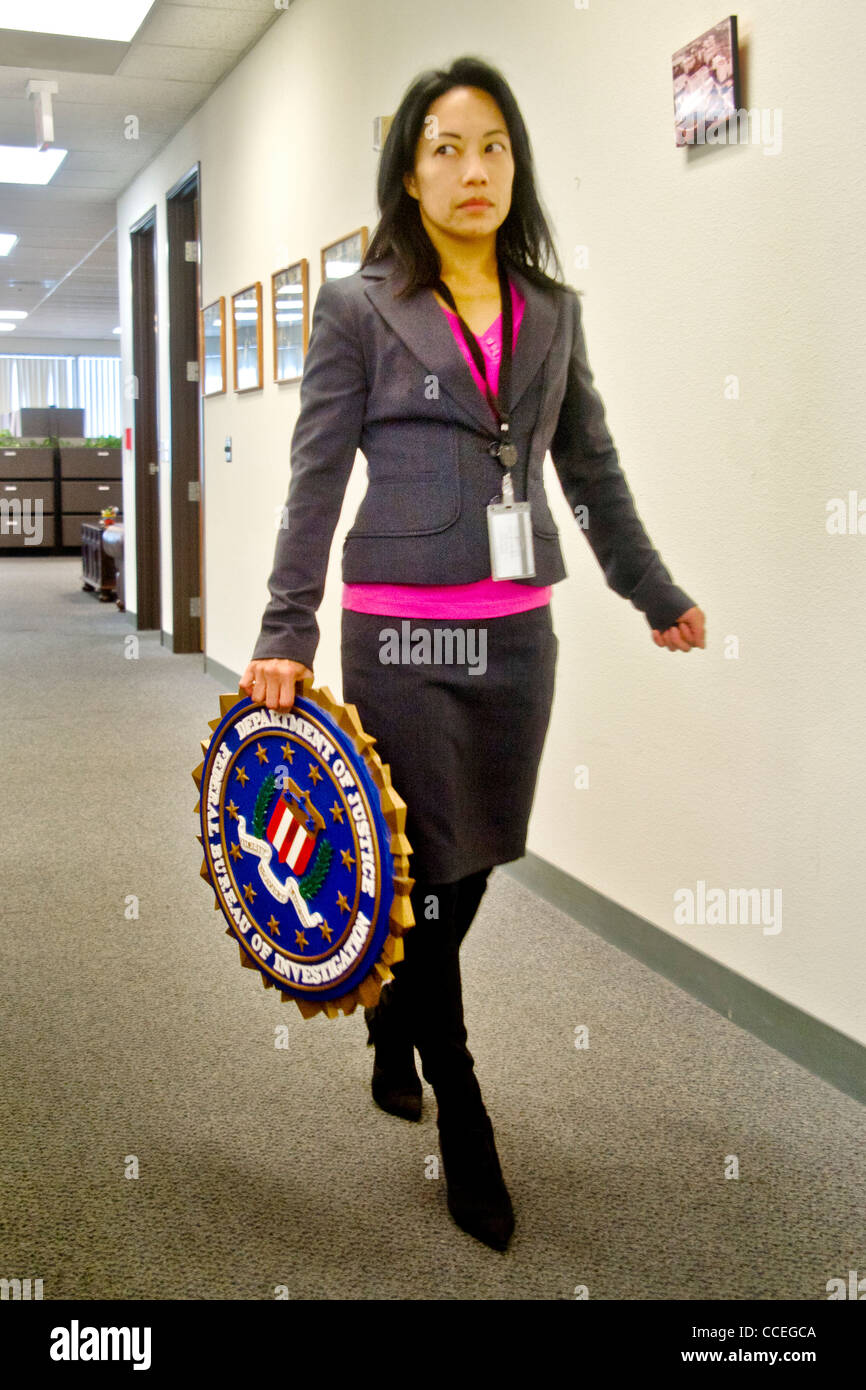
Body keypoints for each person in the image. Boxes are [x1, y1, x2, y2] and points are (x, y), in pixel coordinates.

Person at [240, 56, 705, 1254]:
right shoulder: (360, 307)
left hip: (515, 636)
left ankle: (391, 1013)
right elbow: (313, 477)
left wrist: (649, 588)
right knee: (427, 858)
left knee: (474, 861)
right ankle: (465, 1110)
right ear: (408, 170)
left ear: (516, 164)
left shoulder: (552, 310)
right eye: (443, 146)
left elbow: (587, 469)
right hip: (395, 629)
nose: (471, 168)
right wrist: (285, 631)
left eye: (490, 144)